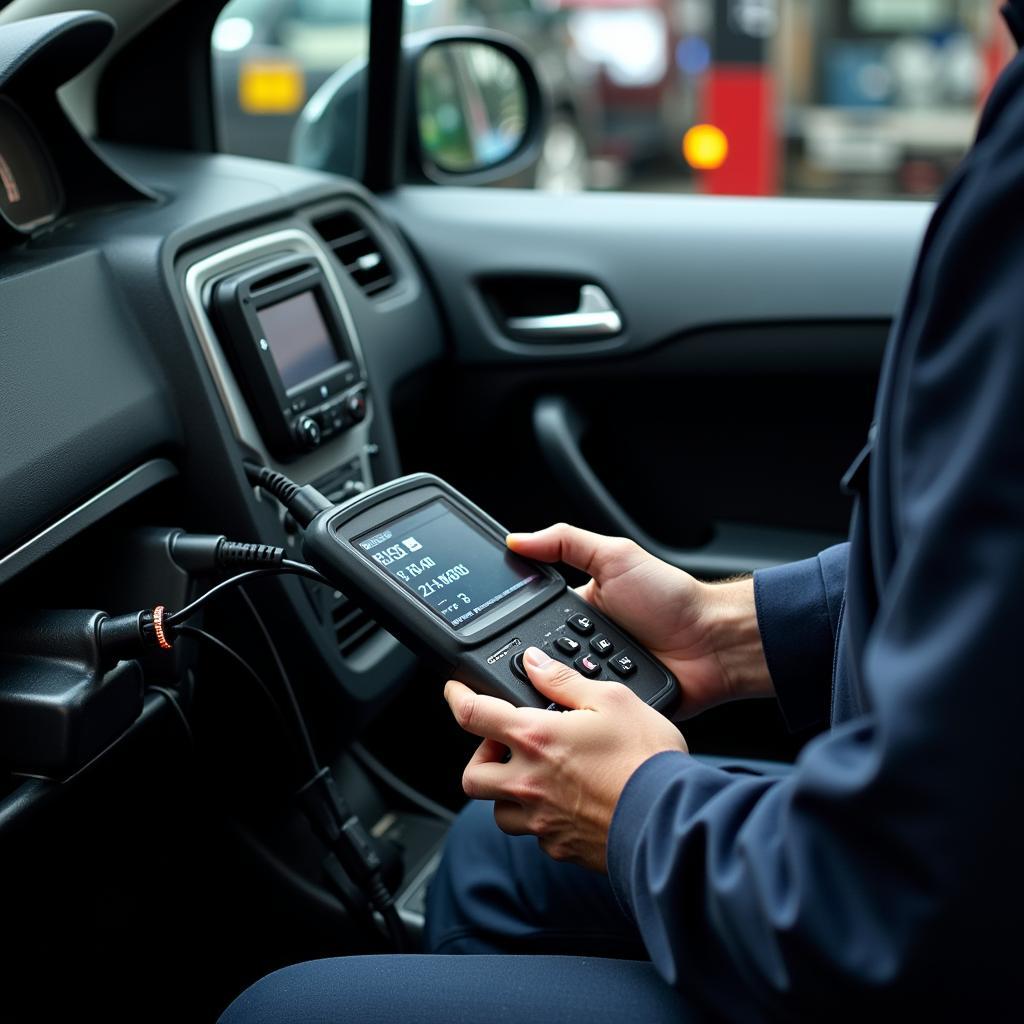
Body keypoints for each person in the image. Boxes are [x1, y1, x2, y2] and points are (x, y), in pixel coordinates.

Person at [219, 4, 1024, 1020]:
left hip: (918, 939)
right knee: (492, 851)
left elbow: (918, 913)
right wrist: (733, 633)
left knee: (281, 1010)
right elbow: (981, 579)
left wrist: (639, 809)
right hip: (928, 873)